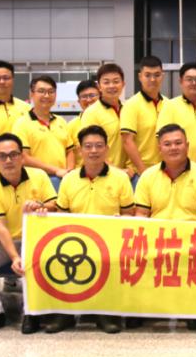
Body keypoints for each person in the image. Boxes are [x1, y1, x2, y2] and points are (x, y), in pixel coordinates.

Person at [133, 124, 196, 331]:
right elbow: (141, 214)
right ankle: (143, 308)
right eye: (167, 144)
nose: (173, 148)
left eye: (178, 143)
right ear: (159, 148)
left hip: (192, 240)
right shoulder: (148, 176)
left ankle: (194, 308)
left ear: (187, 146)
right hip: (156, 239)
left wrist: (189, 236)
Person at [0, 133, 58, 335]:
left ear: (21, 157)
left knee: (34, 258)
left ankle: (31, 312)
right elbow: (0, 227)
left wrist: (41, 206)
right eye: (2, 156)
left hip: (36, 238)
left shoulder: (39, 176)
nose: (8, 160)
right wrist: (14, 257)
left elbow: (56, 205)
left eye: (13, 154)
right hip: (3, 240)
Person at [52, 124, 136, 334]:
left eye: (99, 146)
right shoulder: (69, 180)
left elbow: (129, 214)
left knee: (107, 258)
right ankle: (65, 313)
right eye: (88, 146)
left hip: (110, 239)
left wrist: (120, 221)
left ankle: (105, 312)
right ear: (80, 150)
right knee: (56, 254)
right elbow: (61, 215)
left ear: (107, 149)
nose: (94, 151)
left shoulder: (120, 178)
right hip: (75, 239)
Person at [12, 75, 71, 178]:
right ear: (31, 94)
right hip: (35, 180)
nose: (47, 96)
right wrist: (56, 170)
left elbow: (70, 151)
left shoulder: (61, 121)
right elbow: (23, 157)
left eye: (51, 92)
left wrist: (69, 172)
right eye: (41, 91)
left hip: (62, 177)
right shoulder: (21, 124)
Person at [79, 62, 129, 172]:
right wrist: (116, 171)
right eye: (106, 82)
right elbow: (90, 149)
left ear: (123, 84)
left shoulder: (128, 109)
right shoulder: (91, 113)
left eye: (116, 81)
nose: (111, 86)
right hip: (103, 173)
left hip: (129, 173)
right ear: (99, 87)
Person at [119, 55, 165, 174]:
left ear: (162, 76)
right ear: (140, 77)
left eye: (157, 75)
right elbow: (127, 141)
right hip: (139, 172)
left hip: (164, 171)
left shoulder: (168, 104)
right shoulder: (131, 105)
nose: (153, 79)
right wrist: (143, 171)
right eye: (147, 75)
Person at [65, 79, 101, 170]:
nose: (88, 100)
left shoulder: (110, 121)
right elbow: (69, 153)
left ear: (100, 96)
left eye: (92, 95)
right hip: (81, 174)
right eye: (84, 97)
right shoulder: (71, 126)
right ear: (78, 101)